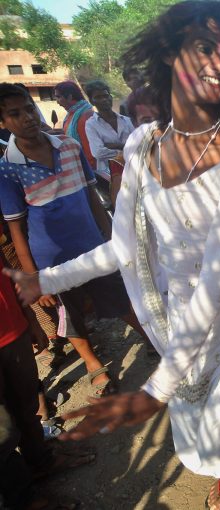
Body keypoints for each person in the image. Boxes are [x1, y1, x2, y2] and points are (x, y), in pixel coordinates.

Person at [4, 3, 220, 509]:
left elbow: (217, 284)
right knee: (207, 426)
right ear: (171, 53)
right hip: (179, 318)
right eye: (204, 47)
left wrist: (156, 390)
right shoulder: (142, 144)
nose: (218, 64)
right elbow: (125, 245)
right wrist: (47, 280)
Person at [0, 83, 140, 400]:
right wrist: (34, 277)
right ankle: (93, 364)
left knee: (120, 297)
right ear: (3, 122)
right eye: (15, 114)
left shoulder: (68, 146)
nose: (27, 118)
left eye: (29, 109)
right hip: (51, 260)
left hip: (93, 247)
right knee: (71, 314)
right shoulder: (7, 169)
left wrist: (111, 238)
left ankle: (152, 338)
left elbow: (91, 196)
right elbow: (16, 229)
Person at [0, 255, 92, 510]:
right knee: (2, 434)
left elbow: (6, 271)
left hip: (13, 330)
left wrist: (29, 318)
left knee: (27, 407)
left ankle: (40, 462)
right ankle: (24, 500)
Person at [84, 79, 135, 207]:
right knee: (120, 207)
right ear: (91, 101)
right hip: (110, 176)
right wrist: (126, 149)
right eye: (98, 97)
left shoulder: (127, 121)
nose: (104, 100)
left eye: (106, 95)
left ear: (110, 97)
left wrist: (115, 146)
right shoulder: (91, 124)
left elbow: (139, 145)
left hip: (133, 171)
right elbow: (98, 153)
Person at [54, 81, 96, 170]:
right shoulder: (71, 115)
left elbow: (91, 151)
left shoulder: (86, 115)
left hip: (90, 169)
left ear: (69, 97)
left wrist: (89, 172)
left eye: (59, 97)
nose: (57, 102)